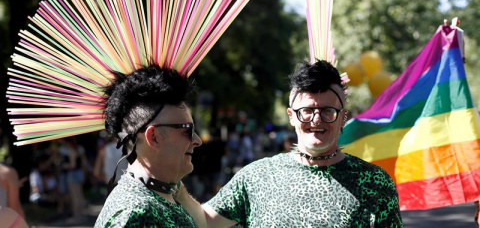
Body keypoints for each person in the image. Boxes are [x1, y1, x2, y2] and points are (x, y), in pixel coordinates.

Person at [177, 60, 403, 227]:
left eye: (328, 111)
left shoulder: (375, 183)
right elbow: (204, 221)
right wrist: (170, 180)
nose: (316, 120)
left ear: (343, 117)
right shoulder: (257, 176)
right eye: (306, 111)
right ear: (291, 116)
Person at [94, 65, 203, 227]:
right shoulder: (136, 213)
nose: (197, 140)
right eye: (187, 130)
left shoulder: (158, 194)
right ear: (154, 137)